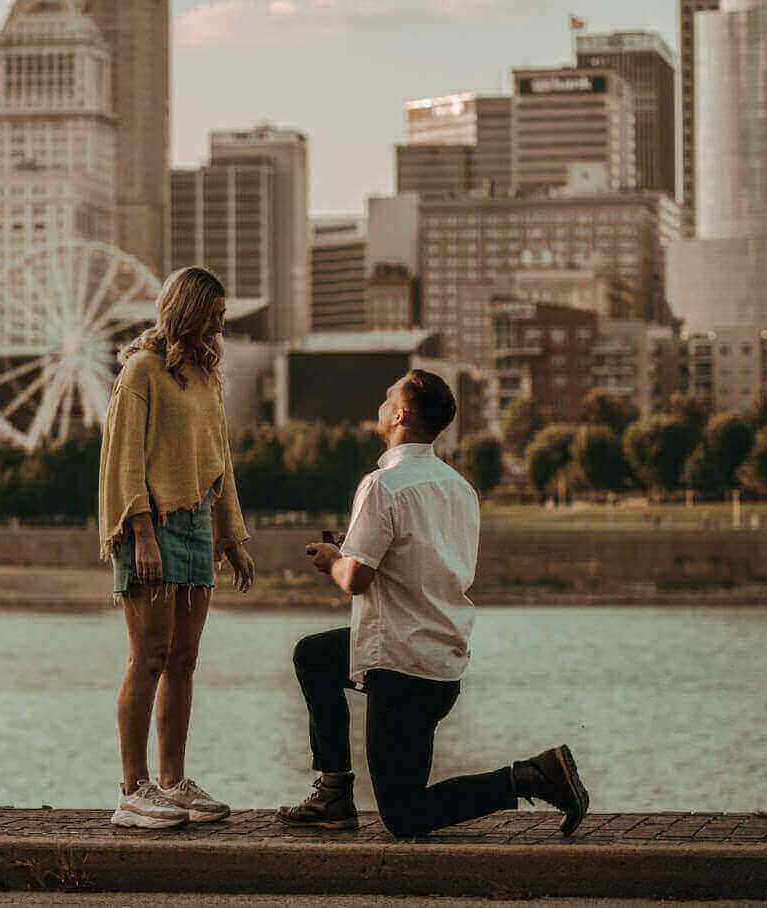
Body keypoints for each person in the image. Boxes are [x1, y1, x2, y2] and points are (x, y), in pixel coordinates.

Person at [276, 369, 590, 838]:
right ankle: (334, 789)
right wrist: (359, 549)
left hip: (398, 667)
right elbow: (418, 557)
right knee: (315, 656)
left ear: (400, 414)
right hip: (440, 662)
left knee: (404, 816)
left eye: (387, 397)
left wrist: (332, 559)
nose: (381, 404)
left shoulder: (382, 484)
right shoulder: (459, 488)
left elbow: (356, 579)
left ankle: (532, 776)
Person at [98, 265, 256, 829]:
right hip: (153, 526)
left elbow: (220, 461)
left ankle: (173, 782)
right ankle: (132, 791)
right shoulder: (141, 371)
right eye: (214, 311)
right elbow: (123, 461)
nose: (221, 321)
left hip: (196, 527)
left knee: (184, 661)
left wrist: (232, 536)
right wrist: (141, 533)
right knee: (150, 658)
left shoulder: (206, 377)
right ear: (187, 309)